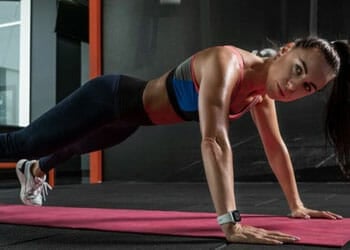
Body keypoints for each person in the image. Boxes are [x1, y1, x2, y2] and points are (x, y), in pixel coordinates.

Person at [1, 36, 349, 245]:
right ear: (287, 50)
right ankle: (31, 160)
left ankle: (35, 170)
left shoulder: (261, 95)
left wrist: (296, 206)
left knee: (73, 145)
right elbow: (213, 141)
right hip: (108, 98)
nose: (292, 85)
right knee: (24, 142)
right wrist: (231, 222)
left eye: (307, 87)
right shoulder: (226, 63)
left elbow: (275, 147)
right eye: (298, 69)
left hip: (129, 121)